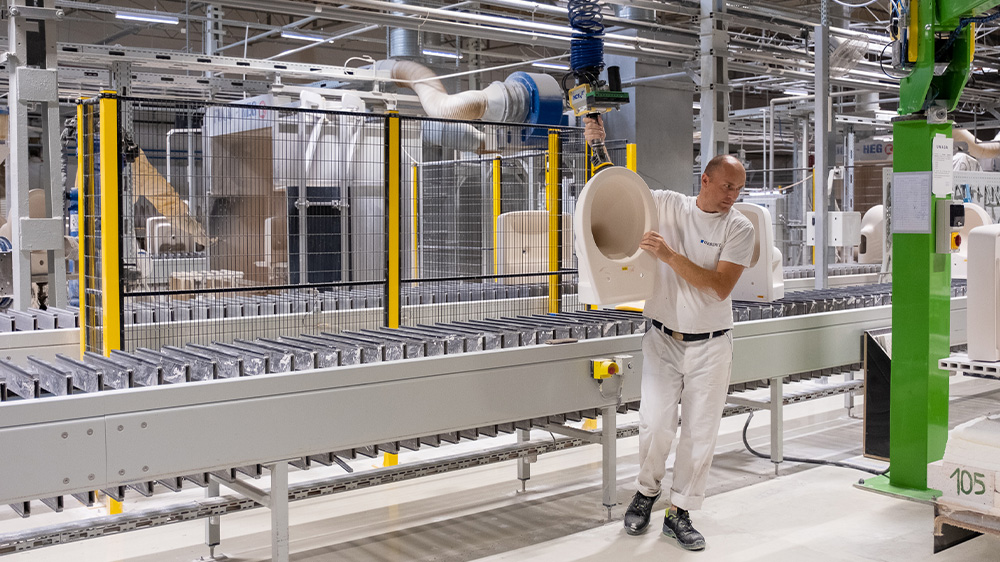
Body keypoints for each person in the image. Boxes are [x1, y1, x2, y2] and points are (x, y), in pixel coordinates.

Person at [585, 116, 755, 551]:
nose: (732, 197)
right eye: (726, 187)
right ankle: (646, 493)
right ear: (706, 179)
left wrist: (669, 254)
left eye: (738, 189)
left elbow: (719, 287)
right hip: (662, 338)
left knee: (700, 433)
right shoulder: (668, 205)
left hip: (711, 345)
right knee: (655, 425)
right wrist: (597, 144)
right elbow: (616, 184)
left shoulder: (739, 227)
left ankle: (680, 512)